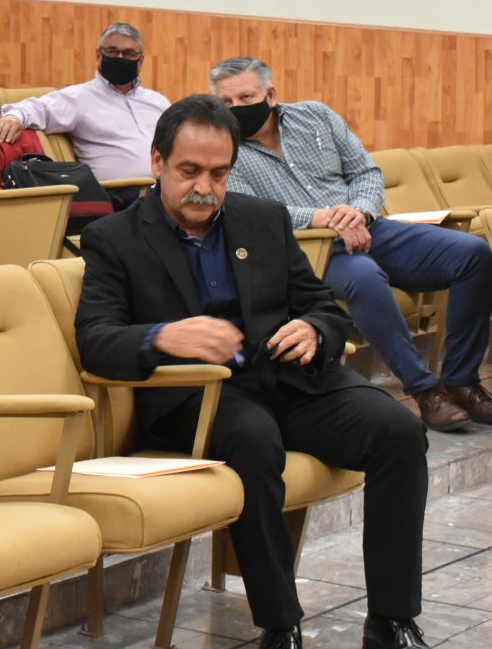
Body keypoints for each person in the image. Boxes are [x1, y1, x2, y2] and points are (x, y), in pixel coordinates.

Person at [76, 95, 432, 649]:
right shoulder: (113, 238)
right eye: (189, 171)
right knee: (254, 441)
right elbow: (96, 340)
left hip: (289, 380)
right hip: (199, 397)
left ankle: (392, 622)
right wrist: (163, 337)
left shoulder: (262, 218)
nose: (204, 187)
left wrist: (314, 330)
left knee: (400, 432)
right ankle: (280, 626)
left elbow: (324, 308)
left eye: (219, 174)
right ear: (157, 162)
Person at [211, 56, 492, 432]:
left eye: (246, 98)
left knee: (472, 254)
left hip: (368, 226)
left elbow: (366, 171)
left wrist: (357, 211)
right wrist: (322, 217)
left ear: (271, 95)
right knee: (364, 278)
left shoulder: (316, 116)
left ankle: (461, 380)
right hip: (309, 247)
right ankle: (425, 391)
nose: (236, 108)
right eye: (225, 102)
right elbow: (248, 209)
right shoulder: (223, 147)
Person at [0, 21, 170, 207]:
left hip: (166, 188)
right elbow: (38, 108)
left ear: (140, 60)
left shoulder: (158, 102)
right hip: (122, 197)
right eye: (112, 51)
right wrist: (15, 117)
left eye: (128, 53)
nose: (120, 57)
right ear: (98, 55)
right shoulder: (79, 98)